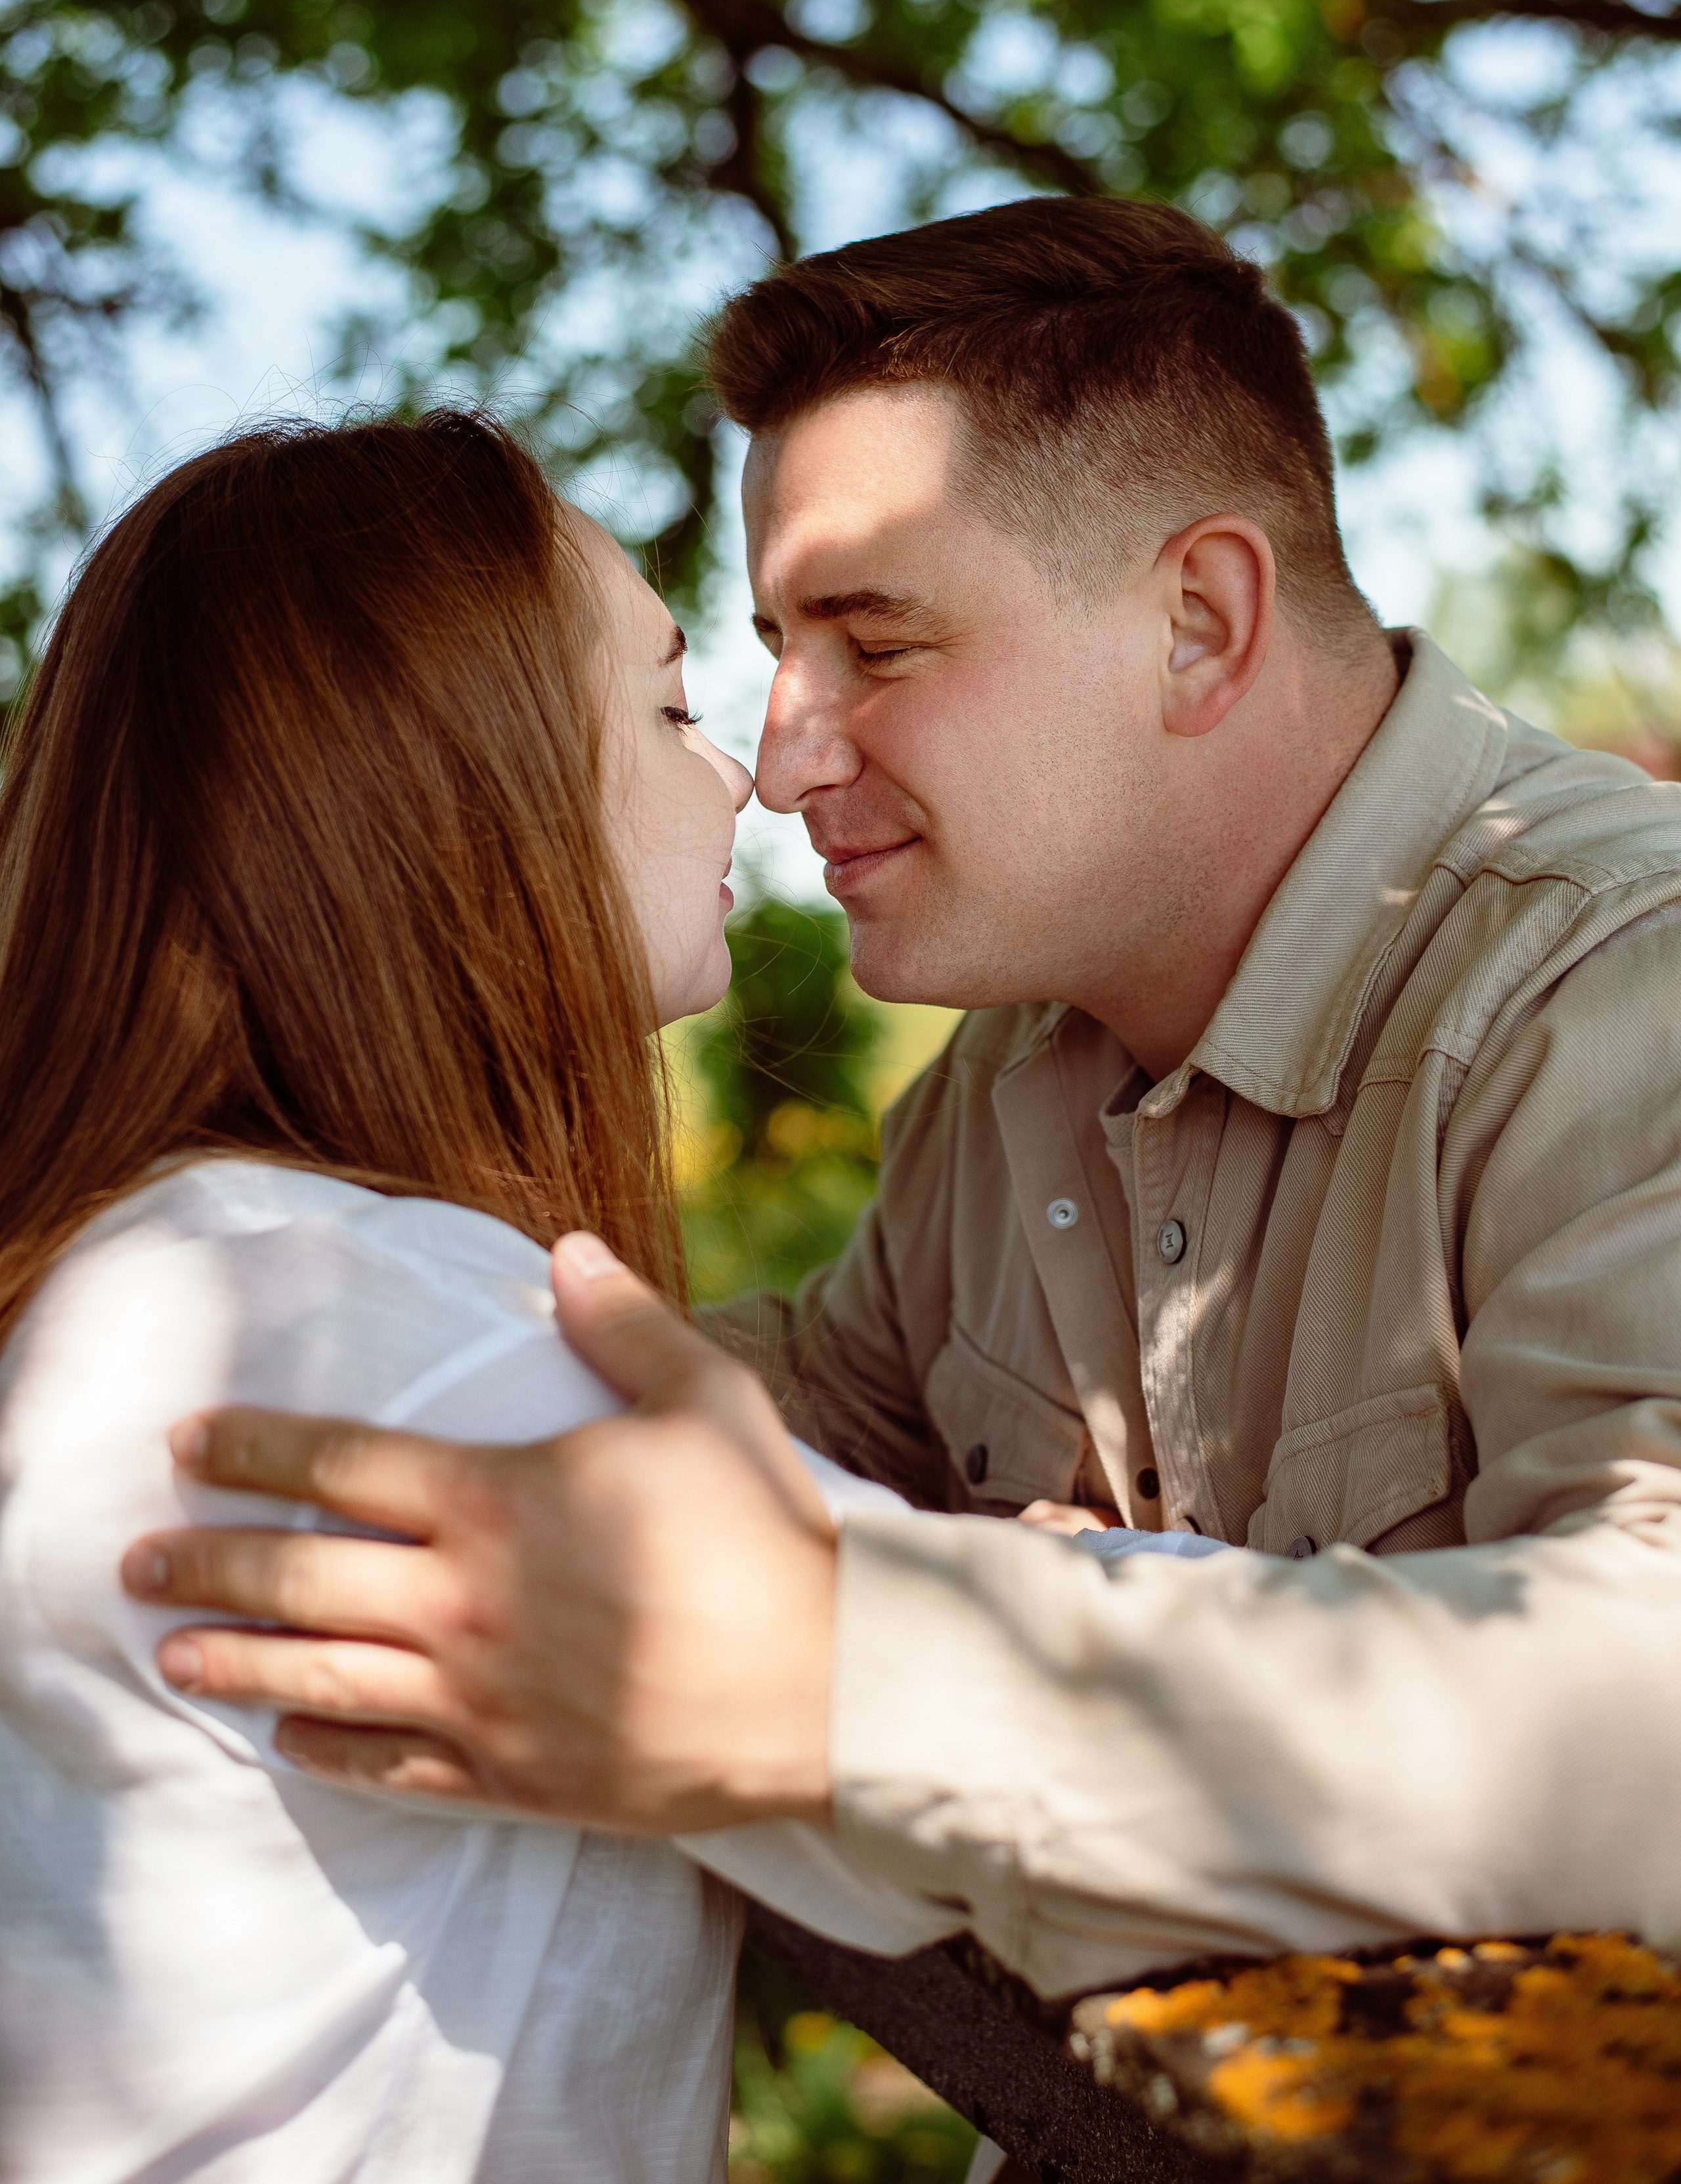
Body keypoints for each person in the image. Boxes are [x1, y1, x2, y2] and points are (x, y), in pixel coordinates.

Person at [125, 200, 1681, 2002]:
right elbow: (806, 1416)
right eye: (772, 649)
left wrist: (846, 1677)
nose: (782, 756)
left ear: (1197, 621)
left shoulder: (1620, 984)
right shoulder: (1017, 1064)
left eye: (877, 642)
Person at [0, 407, 1005, 2184]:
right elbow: (1015, 1775)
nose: (751, 779)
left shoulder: (157, 1267)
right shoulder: (378, 1334)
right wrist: (1043, 1583)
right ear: (454, 776)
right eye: (674, 703)